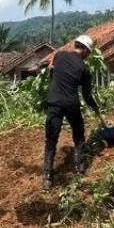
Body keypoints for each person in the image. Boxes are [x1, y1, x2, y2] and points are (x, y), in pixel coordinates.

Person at [43, 34, 100, 189]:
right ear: (86, 51)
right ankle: (80, 167)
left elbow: (52, 72)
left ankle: (47, 177)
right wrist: (95, 106)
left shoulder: (59, 55)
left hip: (54, 102)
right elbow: (87, 96)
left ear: (76, 45)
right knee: (79, 135)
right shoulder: (84, 68)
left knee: (51, 140)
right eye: (88, 53)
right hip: (71, 104)